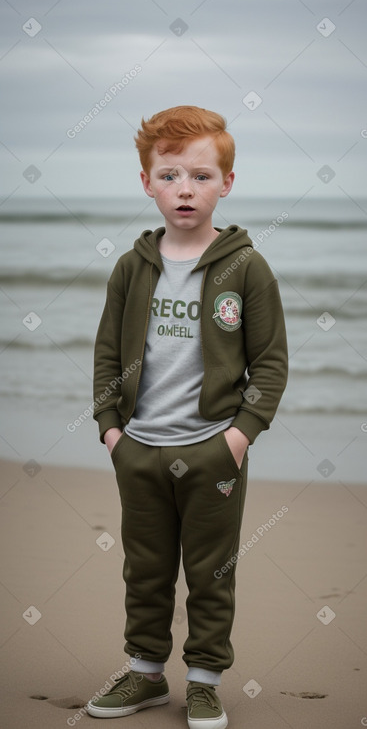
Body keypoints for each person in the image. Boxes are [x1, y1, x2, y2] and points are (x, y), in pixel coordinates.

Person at [87, 105, 288, 729]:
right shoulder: (132, 267)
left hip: (211, 450)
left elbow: (272, 364)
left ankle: (203, 681)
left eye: (201, 176)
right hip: (139, 448)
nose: (185, 189)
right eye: (170, 175)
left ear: (226, 183)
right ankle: (146, 674)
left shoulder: (245, 268)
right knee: (144, 568)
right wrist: (111, 430)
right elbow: (105, 354)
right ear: (147, 182)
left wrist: (238, 437)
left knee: (210, 571)